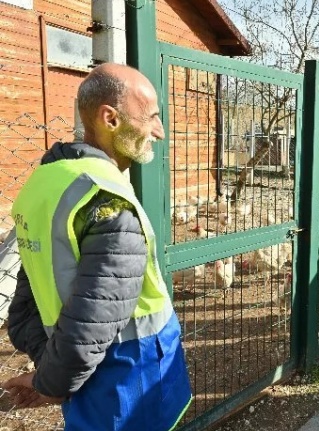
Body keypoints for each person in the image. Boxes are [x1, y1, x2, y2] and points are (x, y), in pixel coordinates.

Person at [1, 63, 192, 430]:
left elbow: (26, 303)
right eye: (151, 117)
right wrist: (53, 384)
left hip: (82, 379)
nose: (160, 131)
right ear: (111, 119)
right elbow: (94, 319)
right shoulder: (107, 198)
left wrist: (51, 372)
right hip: (129, 385)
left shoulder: (43, 184)